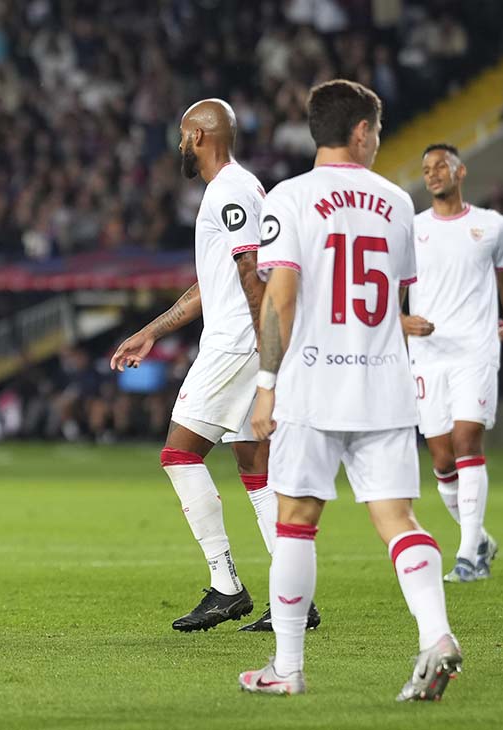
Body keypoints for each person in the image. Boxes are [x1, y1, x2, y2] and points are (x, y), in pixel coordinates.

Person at [239, 79, 460, 701]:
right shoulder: (396, 201)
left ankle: (286, 667)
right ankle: (436, 634)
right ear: (361, 131)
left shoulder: (288, 198)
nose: (379, 140)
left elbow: (281, 296)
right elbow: (391, 302)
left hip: (313, 383)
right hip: (384, 384)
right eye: (380, 130)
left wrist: (265, 385)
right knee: (397, 518)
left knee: (296, 521)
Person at [111, 99, 319, 633]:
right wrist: (151, 331)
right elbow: (216, 282)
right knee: (255, 464)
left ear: (199, 136)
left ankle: (227, 586)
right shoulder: (241, 188)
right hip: (245, 340)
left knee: (179, 452)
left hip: (237, 343)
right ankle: (293, 597)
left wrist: (270, 351)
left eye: (184, 136)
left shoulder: (228, 191)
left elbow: (253, 275)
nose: (181, 146)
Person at [409, 143, 503, 583]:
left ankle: (468, 558)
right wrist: (400, 320)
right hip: (428, 355)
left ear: (460, 172)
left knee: (466, 440)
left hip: (475, 348)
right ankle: (479, 539)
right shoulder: (412, 229)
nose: (433, 174)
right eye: (426, 168)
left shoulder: (491, 226)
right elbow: (396, 285)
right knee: (441, 459)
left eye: (440, 166)